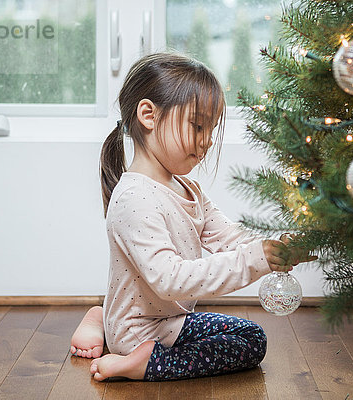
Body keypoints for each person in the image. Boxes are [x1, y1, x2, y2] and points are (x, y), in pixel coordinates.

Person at [69, 52, 315, 382]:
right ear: (148, 115)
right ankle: (137, 361)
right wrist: (258, 260)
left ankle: (102, 317)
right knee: (251, 343)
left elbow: (229, 238)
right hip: (139, 333)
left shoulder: (189, 189)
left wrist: (273, 246)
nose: (207, 141)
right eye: (198, 126)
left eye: (211, 130)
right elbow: (170, 280)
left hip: (167, 321)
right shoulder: (134, 199)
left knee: (250, 335)